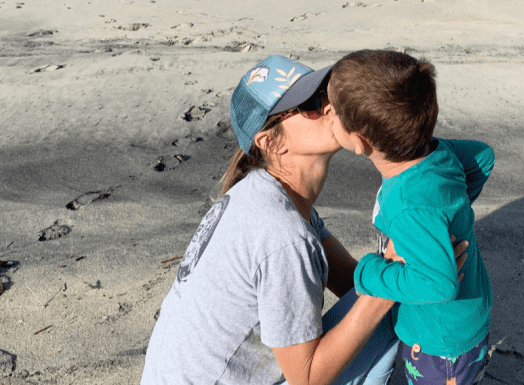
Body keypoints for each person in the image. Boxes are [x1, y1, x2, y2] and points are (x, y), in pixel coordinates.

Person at [141, 54, 469, 385]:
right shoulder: (281, 233)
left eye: (325, 93)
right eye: (311, 104)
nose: (330, 105)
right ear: (271, 143)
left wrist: (409, 272)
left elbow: (350, 282)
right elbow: (307, 378)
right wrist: (396, 282)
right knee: (386, 305)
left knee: (390, 293)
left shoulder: (268, 196)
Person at [327, 50, 495, 385]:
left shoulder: (409, 206)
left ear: (360, 142)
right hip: (463, 321)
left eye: (333, 112)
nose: (327, 114)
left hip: (440, 343)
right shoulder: (436, 154)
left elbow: (438, 283)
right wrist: (450, 214)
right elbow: (483, 156)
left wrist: (369, 273)